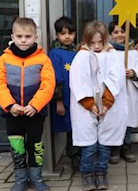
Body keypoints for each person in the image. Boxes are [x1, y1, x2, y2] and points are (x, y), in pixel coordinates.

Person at [0, 17, 55, 191]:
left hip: (34, 114)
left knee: (35, 146)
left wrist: (35, 105)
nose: (23, 40)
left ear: (35, 37)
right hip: (12, 114)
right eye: (19, 36)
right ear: (13, 36)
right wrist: (9, 105)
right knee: (17, 147)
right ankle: (20, 179)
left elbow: (48, 85)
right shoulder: (4, 59)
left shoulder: (43, 59)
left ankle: (37, 178)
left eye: (28, 36)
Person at [69, 21, 128, 191]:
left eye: (99, 42)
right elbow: (78, 81)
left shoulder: (112, 55)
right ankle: (87, 173)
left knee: (105, 143)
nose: (96, 46)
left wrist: (107, 103)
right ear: (86, 41)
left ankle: (102, 172)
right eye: (92, 42)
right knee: (88, 145)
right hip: (86, 107)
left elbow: (116, 79)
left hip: (108, 106)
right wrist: (90, 104)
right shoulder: (81, 56)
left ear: (105, 40)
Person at [107, 21, 138, 164]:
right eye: (116, 32)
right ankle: (115, 149)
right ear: (110, 35)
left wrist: (133, 73)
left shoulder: (134, 53)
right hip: (115, 93)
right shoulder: (108, 52)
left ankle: (126, 147)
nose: (119, 35)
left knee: (128, 121)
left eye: (123, 31)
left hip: (130, 92)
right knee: (115, 120)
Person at [48, 16, 79, 169]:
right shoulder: (55, 53)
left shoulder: (78, 51)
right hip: (65, 98)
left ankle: (79, 155)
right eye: (63, 33)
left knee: (77, 127)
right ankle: (73, 157)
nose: (67, 37)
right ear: (57, 35)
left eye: (70, 33)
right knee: (69, 128)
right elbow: (56, 78)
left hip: (78, 97)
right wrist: (58, 101)